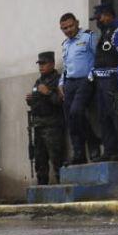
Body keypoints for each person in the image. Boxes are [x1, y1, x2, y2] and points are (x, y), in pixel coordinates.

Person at [58, 12, 100, 165]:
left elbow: (98, 58)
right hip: (70, 83)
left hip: (86, 80)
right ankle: (79, 153)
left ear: (77, 22)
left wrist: (91, 75)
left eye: (70, 26)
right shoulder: (65, 44)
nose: (68, 30)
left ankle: (93, 142)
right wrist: (61, 83)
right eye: (64, 28)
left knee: (76, 112)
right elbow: (66, 66)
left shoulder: (88, 37)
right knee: (70, 119)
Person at [91, 3, 118, 160]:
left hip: (112, 80)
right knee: (103, 117)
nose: (97, 21)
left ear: (108, 15)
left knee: (116, 115)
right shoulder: (105, 32)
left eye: (99, 18)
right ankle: (109, 150)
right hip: (100, 81)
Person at [26, 51, 66, 185]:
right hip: (38, 124)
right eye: (40, 64)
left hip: (53, 124)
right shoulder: (39, 81)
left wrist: (48, 92)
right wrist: (30, 100)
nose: (41, 67)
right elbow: (37, 101)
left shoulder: (58, 80)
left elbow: (60, 101)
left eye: (44, 63)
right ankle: (41, 185)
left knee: (57, 157)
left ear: (52, 63)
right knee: (40, 158)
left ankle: (62, 183)